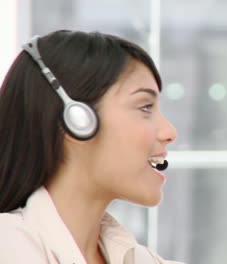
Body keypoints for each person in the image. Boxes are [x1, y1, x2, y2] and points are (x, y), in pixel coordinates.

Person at [0, 30, 183, 264]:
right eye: (145, 107)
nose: (170, 132)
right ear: (76, 120)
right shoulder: (10, 245)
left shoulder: (139, 258)